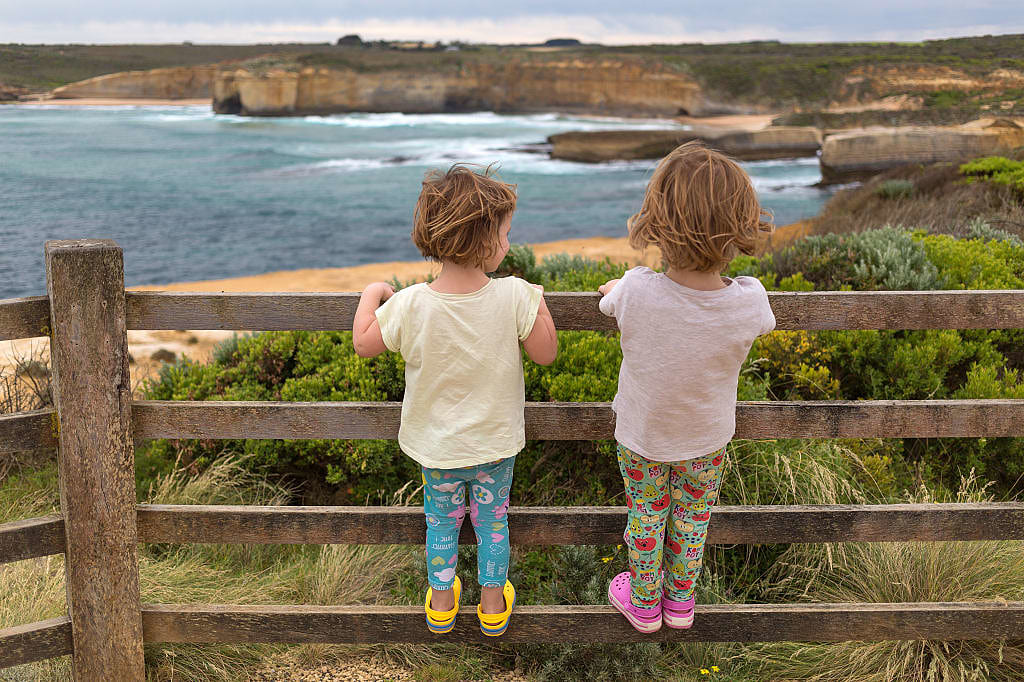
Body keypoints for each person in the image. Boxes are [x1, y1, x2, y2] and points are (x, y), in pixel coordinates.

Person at [352, 164, 557, 637]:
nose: (508, 242)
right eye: (505, 234)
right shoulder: (513, 296)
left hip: (437, 447)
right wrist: (536, 300)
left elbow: (364, 341)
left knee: (441, 521)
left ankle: (442, 604)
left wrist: (372, 293)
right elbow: (546, 353)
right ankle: (491, 606)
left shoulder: (411, 302)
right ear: (484, 239)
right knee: (492, 522)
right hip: (494, 444)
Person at [598, 141, 776, 633]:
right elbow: (761, 317)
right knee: (693, 519)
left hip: (643, 437)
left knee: (648, 516)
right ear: (738, 228)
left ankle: (643, 601)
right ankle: (680, 604)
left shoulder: (635, 290)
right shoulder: (750, 301)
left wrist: (621, 286)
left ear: (657, 222)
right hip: (707, 438)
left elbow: (617, 300)